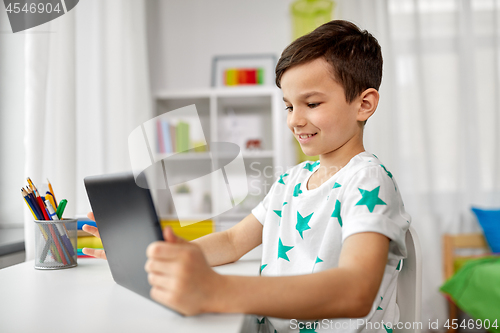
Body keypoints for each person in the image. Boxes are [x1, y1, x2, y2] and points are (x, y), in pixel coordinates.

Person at [83, 20, 411, 333]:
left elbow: (355, 291)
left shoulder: (367, 180)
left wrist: (218, 289)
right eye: (288, 106)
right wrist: (155, 255)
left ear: (364, 104)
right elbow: (232, 241)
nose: (295, 120)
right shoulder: (290, 181)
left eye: (311, 103)